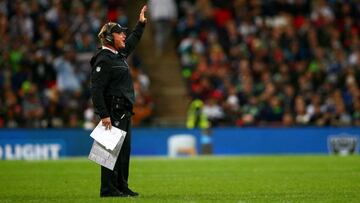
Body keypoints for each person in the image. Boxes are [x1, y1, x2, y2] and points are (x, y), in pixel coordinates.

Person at [89, 5, 147, 198]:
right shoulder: (103, 59)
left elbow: (133, 41)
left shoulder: (118, 55)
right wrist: (103, 114)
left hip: (124, 111)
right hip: (112, 112)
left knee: (123, 153)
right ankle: (108, 189)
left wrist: (140, 24)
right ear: (109, 37)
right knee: (108, 153)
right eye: (120, 33)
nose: (123, 36)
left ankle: (121, 186)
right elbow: (96, 90)